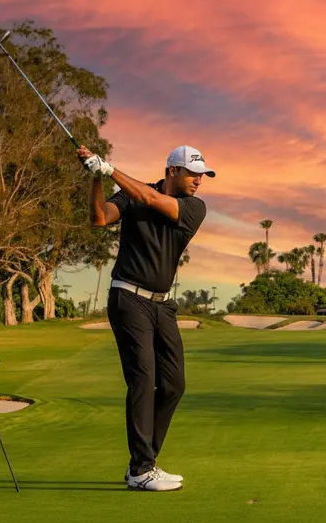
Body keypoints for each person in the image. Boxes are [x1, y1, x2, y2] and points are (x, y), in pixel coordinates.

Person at [79, 143, 214, 492]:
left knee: (173, 384)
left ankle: (143, 463)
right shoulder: (130, 196)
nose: (199, 181)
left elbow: (153, 201)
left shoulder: (193, 208)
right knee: (143, 378)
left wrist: (109, 170)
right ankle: (142, 469)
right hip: (128, 297)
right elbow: (98, 218)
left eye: (202, 175)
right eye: (193, 174)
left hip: (163, 305)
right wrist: (97, 178)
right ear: (173, 171)